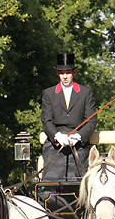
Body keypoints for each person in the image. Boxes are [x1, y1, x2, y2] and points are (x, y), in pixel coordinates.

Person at [40, 53, 97, 181]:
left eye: (68, 73)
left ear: (74, 72)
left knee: (77, 179)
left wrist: (78, 136)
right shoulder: (48, 94)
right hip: (55, 144)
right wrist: (57, 136)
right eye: (61, 73)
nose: (65, 76)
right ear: (57, 73)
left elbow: (91, 120)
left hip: (78, 144)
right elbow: (46, 120)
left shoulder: (85, 93)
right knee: (51, 180)